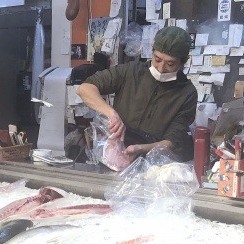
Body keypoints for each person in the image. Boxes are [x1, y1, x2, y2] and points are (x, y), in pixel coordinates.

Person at [77, 26, 197, 161]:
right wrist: (111, 114)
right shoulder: (131, 72)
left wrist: (139, 149)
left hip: (154, 162)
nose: (161, 68)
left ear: (184, 61)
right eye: (157, 59)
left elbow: (172, 141)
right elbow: (85, 89)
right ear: (152, 49)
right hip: (115, 154)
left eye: (170, 64)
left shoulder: (187, 93)